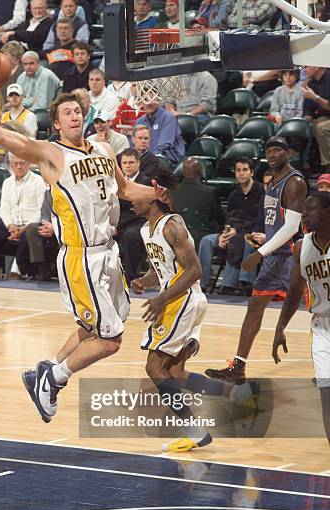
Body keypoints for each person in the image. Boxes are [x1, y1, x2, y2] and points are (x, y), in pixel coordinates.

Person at [0, 67, 173, 419]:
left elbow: (125, 191)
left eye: (78, 110)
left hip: (110, 253)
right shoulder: (50, 154)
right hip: (81, 257)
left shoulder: (105, 149)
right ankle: (54, 377)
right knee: (110, 339)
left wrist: (160, 194)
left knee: (91, 325)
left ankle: (45, 367)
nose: (75, 115)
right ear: (57, 124)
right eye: (67, 113)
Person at [131, 168, 258, 452]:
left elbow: (195, 270)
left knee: (153, 366)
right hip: (180, 298)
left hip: (183, 299)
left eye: (135, 194)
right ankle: (238, 393)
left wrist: (161, 299)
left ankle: (195, 430)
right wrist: (145, 281)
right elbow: (160, 267)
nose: (130, 199)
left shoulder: (172, 225)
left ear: (154, 197)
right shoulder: (144, 230)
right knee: (175, 372)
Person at [205, 136, 307, 382]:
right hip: (274, 258)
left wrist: (260, 253)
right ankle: (238, 366)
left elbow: (293, 227)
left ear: (288, 154)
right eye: (268, 150)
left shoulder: (295, 182)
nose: (272, 154)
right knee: (254, 307)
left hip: (294, 257)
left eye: (278, 150)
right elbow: (277, 222)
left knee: (320, 310)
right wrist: (263, 239)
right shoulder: (272, 181)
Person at [272, 191, 330, 443]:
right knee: (326, 395)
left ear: (327, 212)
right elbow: (295, 291)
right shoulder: (301, 247)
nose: (304, 214)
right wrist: (280, 328)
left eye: (311, 209)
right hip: (323, 329)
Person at [198, 157, 264, 293]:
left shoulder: (260, 191)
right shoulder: (234, 195)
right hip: (233, 231)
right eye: (238, 170)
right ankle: (202, 284)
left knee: (246, 239)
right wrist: (224, 234)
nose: (241, 173)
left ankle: (243, 282)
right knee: (206, 240)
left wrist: (236, 231)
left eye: (245, 170)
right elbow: (228, 219)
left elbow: (257, 220)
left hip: (252, 232)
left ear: (251, 172)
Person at [0, 155, 46, 279]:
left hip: (30, 225)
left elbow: (42, 210)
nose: (19, 166)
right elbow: (4, 209)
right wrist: (11, 226)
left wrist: (24, 227)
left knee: (30, 231)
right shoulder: (7, 182)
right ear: (11, 165)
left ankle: (16, 269)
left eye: (22, 163)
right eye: (16, 164)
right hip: (13, 225)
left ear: (29, 163)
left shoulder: (38, 181)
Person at [173, 157, 223, 250]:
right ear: (200, 171)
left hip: (176, 236)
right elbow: (219, 217)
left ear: (183, 172)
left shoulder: (172, 191)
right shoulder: (210, 191)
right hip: (202, 237)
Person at [116, 148, 148, 283]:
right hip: (118, 221)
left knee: (130, 236)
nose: (127, 166)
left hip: (138, 221)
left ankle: (131, 277)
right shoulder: (115, 181)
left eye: (131, 162)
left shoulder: (145, 182)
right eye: (124, 163)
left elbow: (141, 210)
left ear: (138, 163)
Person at [134, 98, 185, 166]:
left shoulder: (168, 118)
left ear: (158, 100)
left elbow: (164, 145)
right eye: (146, 99)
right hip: (146, 161)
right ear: (141, 102)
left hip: (168, 162)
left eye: (152, 99)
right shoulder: (139, 121)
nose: (149, 103)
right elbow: (133, 145)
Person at [302, 66, 330, 172]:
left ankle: (328, 165)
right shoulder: (311, 83)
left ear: (316, 67)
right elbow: (308, 107)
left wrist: (315, 97)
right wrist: (307, 116)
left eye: (306, 66)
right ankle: (307, 164)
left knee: (321, 128)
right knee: (303, 127)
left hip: (326, 117)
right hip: (323, 117)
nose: (304, 70)